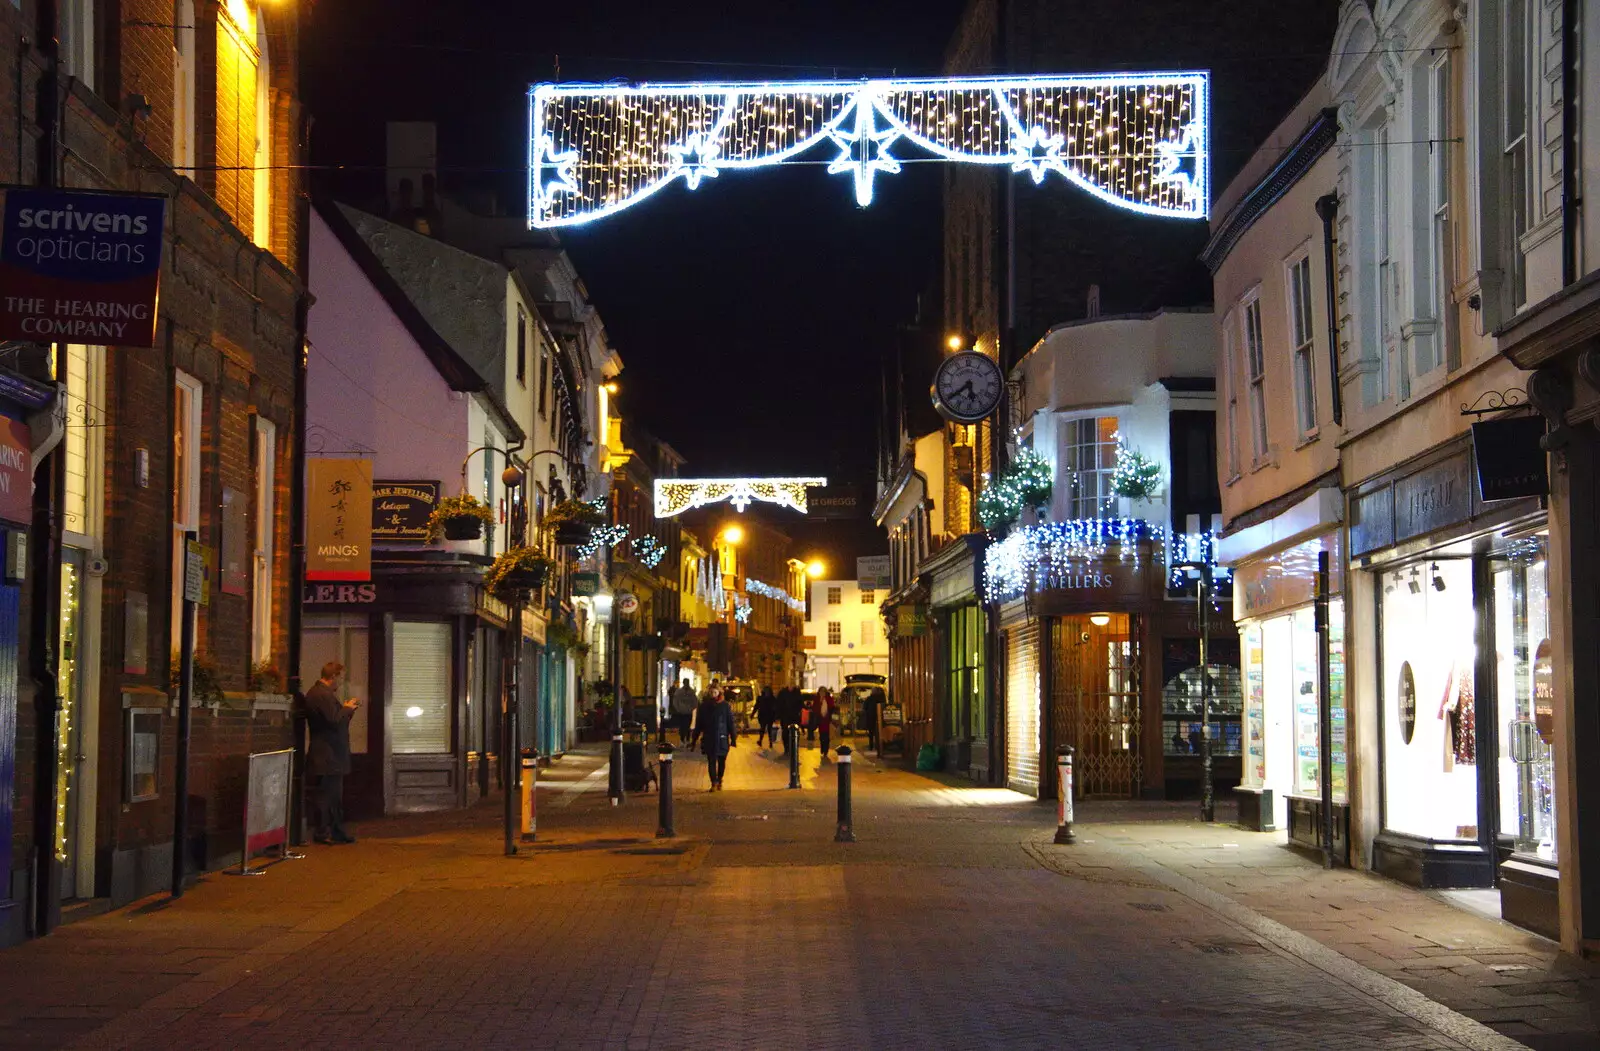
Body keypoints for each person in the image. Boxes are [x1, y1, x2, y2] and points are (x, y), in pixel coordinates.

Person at [304, 661, 360, 845]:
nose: (340, 683)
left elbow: (335, 720)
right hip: (327, 755)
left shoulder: (321, 694)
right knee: (326, 796)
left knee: (333, 796)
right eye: (340, 678)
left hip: (330, 755)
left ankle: (335, 831)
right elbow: (334, 721)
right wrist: (347, 709)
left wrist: (346, 710)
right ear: (333, 676)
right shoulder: (320, 695)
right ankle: (324, 832)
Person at [691, 687, 737, 790]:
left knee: (722, 761)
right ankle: (713, 782)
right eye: (711, 692)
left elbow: (730, 722)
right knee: (711, 761)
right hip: (709, 738)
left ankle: (720, 779)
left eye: (715, 692)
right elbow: (699, 724)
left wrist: (733, 737)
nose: (713, 694)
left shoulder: (725, 706)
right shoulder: (704, 706)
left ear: (719, 693)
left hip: (722, 738)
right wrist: (694, 739)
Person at [670, 678, 698, 744]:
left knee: (687, 725)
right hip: (682, 712)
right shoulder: (680, 691)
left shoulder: (691, 692)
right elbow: (675, 701)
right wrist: (678, 709)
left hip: (687, 712)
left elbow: (695, 702)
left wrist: (692, 708)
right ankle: (683, 739)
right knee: (683, 726)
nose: (686, 684)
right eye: (686, 682)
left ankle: (686, 739)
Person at [778, 685, 802, 754]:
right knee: (785, 732)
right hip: (785, 717)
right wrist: (779, 715)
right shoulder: (783, 693)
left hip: (795, 717)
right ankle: (786, 747)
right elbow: (779, 704)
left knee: (796, 732)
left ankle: (794, 747)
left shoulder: (797, 693)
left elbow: (800, 704)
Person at [862, 687, 884, 753]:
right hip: (879, 718)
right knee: (879, 732)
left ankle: (871, 746)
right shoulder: (881, 698)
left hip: (871, 718)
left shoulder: (869, 699)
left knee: (871, 733)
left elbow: (864, 707)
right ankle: (879, 746)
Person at [814, 687, 835, 756]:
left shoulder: (829, 698)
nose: (822, 693)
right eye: (821, 692)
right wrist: (820, 701)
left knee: (826, 736)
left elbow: (832, 707)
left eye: (823, 692)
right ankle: (822, 747)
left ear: (825, 692)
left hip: (827, 721)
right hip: (820, 720)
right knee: (821, 736)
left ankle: (826, 749)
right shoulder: (817, 698)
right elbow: (815, 708)